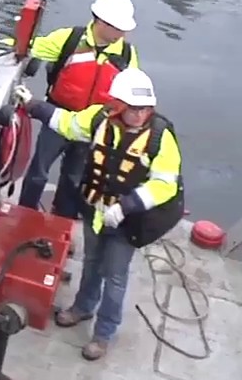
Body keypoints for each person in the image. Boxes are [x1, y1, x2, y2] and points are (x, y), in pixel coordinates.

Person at [14, 68, 182, 361]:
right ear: (118, 105)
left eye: (145, 109)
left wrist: (125, 207)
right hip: (95, 212)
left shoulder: (160, 139)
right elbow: (66, 123)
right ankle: (82, 307)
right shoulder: (98, 119)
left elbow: (164, 185)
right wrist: (33, 105)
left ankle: (103, 334)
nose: (140, 115)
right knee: (91, 264)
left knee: (115, 276)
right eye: (134, 109)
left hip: (127, 223)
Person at [17, 0, 138, 220]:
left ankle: (62, 220)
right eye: (118, 28)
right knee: (38, 173)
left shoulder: (126, 54)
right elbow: (32, 47)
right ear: (101, 22)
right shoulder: (69, 39)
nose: (123, 33)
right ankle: (24, 214)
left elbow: (130, 94)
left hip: (90, 128)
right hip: (57, 118)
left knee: (74, 177)